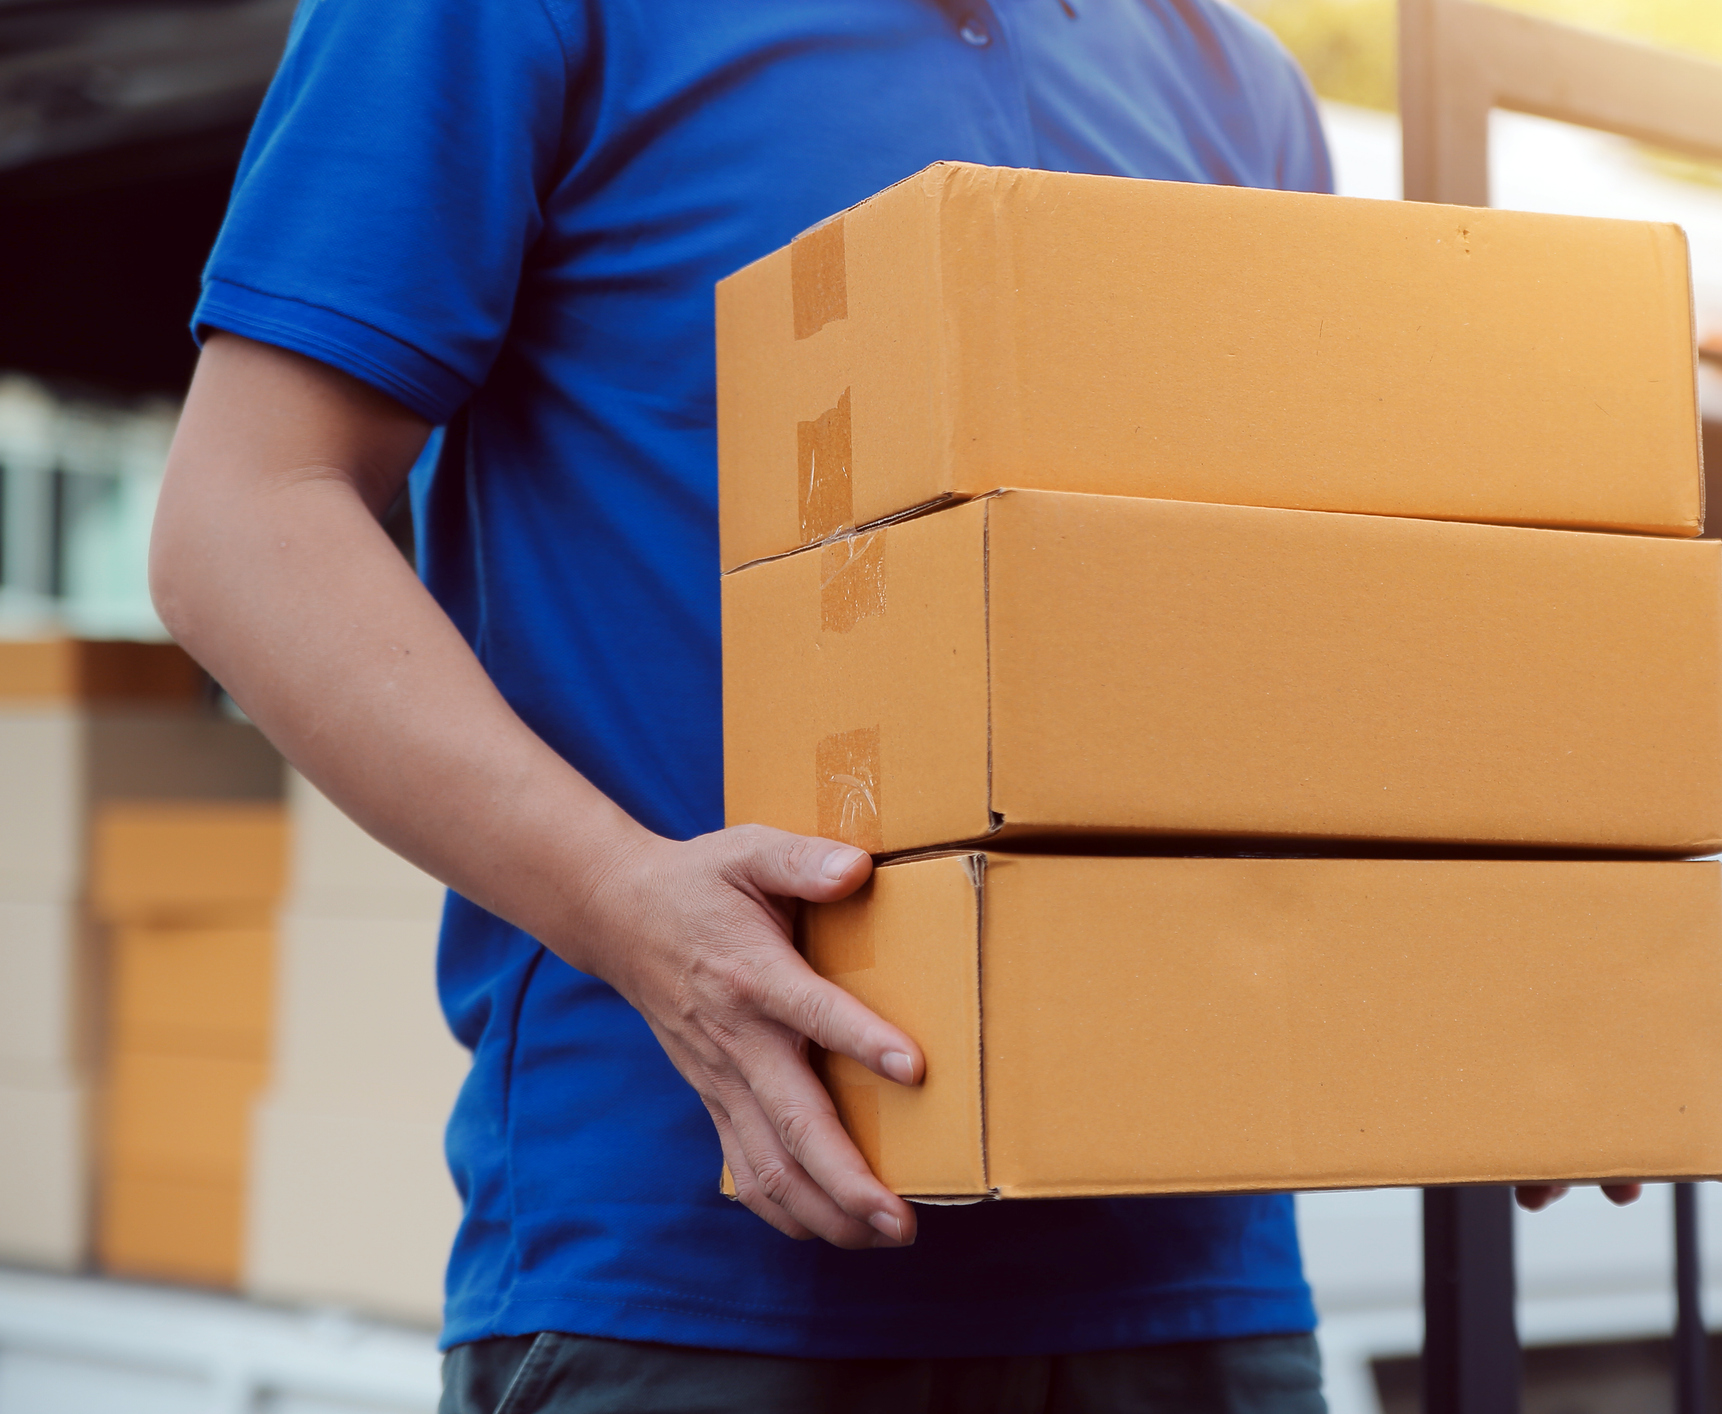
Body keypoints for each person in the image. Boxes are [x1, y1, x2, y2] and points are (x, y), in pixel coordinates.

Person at [151, 2, 1635, 1409]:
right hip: (694, 1284)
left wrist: (1482, 955)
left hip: (1187, 1282)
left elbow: (1277, 602)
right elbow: (240, 519)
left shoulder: (1231, 81)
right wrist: (630, 907)